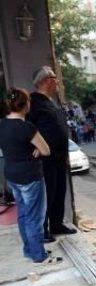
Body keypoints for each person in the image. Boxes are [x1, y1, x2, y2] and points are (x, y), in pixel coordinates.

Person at [0, 88, 52, 262]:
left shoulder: (2, 124)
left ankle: (29, 250)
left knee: (22, 214)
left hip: (12, 176)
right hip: (30, 177)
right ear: (25, 105)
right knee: (34, 217)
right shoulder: (27, 127)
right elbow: (46, 150)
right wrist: (36, 148)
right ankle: (38, 255)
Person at [27, 66, 76, 242]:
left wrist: (66, 155)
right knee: (46, 194)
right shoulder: (33, 102)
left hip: (59, 157)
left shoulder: (50, 101)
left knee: (59, 192)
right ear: (47, 80)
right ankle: (41, 231)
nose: (57, 81)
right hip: (44, 159)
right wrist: (33, 146)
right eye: (55, 78)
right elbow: (26, 126)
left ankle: (56, 224)